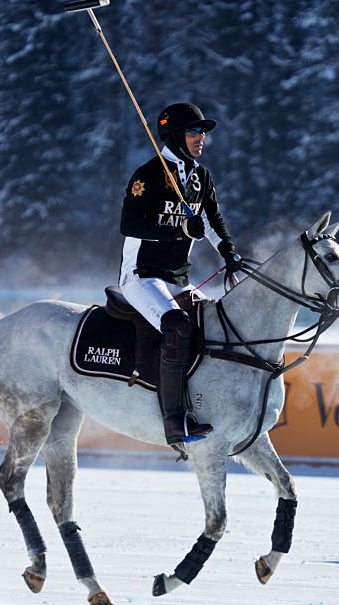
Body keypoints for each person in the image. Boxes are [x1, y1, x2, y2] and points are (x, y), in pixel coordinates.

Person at [118, 102, 242, 446]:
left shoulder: (201, 176)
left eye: (202, 132)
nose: (200, 138)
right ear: (174, 136)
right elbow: (128, 224)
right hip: (142, 276)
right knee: (176, 326)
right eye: (193, 131)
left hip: (178, 278)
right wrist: (178, 231)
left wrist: (229, 252)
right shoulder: (149, 175)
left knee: (218, 324)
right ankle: (174, 422)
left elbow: (212, 222)